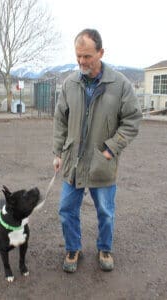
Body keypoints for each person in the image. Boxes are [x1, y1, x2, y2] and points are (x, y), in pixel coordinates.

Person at [53, 28, 142, 273]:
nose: (81, 61)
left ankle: (105, 248)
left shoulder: (120, 84)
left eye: (87, 56)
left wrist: (110, 149)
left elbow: (132, 120)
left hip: (102, 161)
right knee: (65, 209)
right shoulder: (70, 84)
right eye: (78, 56)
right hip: (73, 160)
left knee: (105, 211)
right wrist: (58, 152)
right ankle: (73, 248)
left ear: (101, 52)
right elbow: (60, 119)